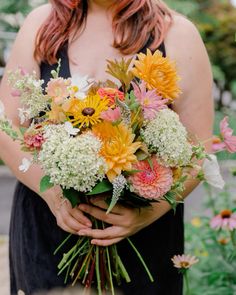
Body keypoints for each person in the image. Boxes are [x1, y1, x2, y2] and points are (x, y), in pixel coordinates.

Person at [0, 0, 214, 294]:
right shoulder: (42, 24)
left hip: (142, 240)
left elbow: (198, 150)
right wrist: (53, 194)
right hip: (48, 229)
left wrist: (145, 216)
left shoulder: (177, 34)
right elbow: (6, 127)